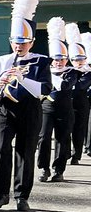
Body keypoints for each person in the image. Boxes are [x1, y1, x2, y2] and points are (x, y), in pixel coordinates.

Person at [0, 0, 50, 211]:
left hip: (29, 109)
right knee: (0, 150)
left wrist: (22, 79)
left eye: (23, 43)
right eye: (16, 42)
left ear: (31, 42)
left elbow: (44, 90)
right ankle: (0, 193)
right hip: (4, 109)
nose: (19, 46)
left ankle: (21, 195)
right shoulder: (0, 62)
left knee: (25, 152)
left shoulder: (41, 61)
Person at [37, 17, 75, 184]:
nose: (59, 62)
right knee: (43, 137)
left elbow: (66, 86)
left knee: (62, 138)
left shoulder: (71, 72)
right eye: (56, 59)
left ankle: (58, 170)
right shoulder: (44, 70)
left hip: (65, 108)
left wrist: (51, 76)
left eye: (61, 59)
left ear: (66, 59)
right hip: (47, 107)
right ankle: (44, 168)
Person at [74, 29, 91, 165]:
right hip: (68, 102)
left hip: (83, 100)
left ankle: (79, 152)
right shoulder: (69, 71)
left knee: (82, 127)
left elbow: (81, 86)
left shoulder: (88, 72)